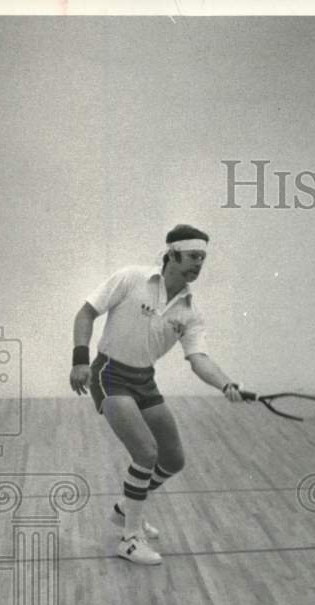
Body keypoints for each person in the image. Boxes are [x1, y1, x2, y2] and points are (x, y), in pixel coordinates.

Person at [69, 224, 246, 565]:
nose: (199, 264)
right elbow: (86, 311)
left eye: (203, 258)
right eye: (193, 256)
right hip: (109, 374)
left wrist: (226, 384)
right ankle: (130, 539)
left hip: (144, 380)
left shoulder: (190, 311)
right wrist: (80, 360)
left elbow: (198, 359)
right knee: (146, 452)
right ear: (173, 254)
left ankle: (126, 509)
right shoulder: (132, 278)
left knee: (172, 459)